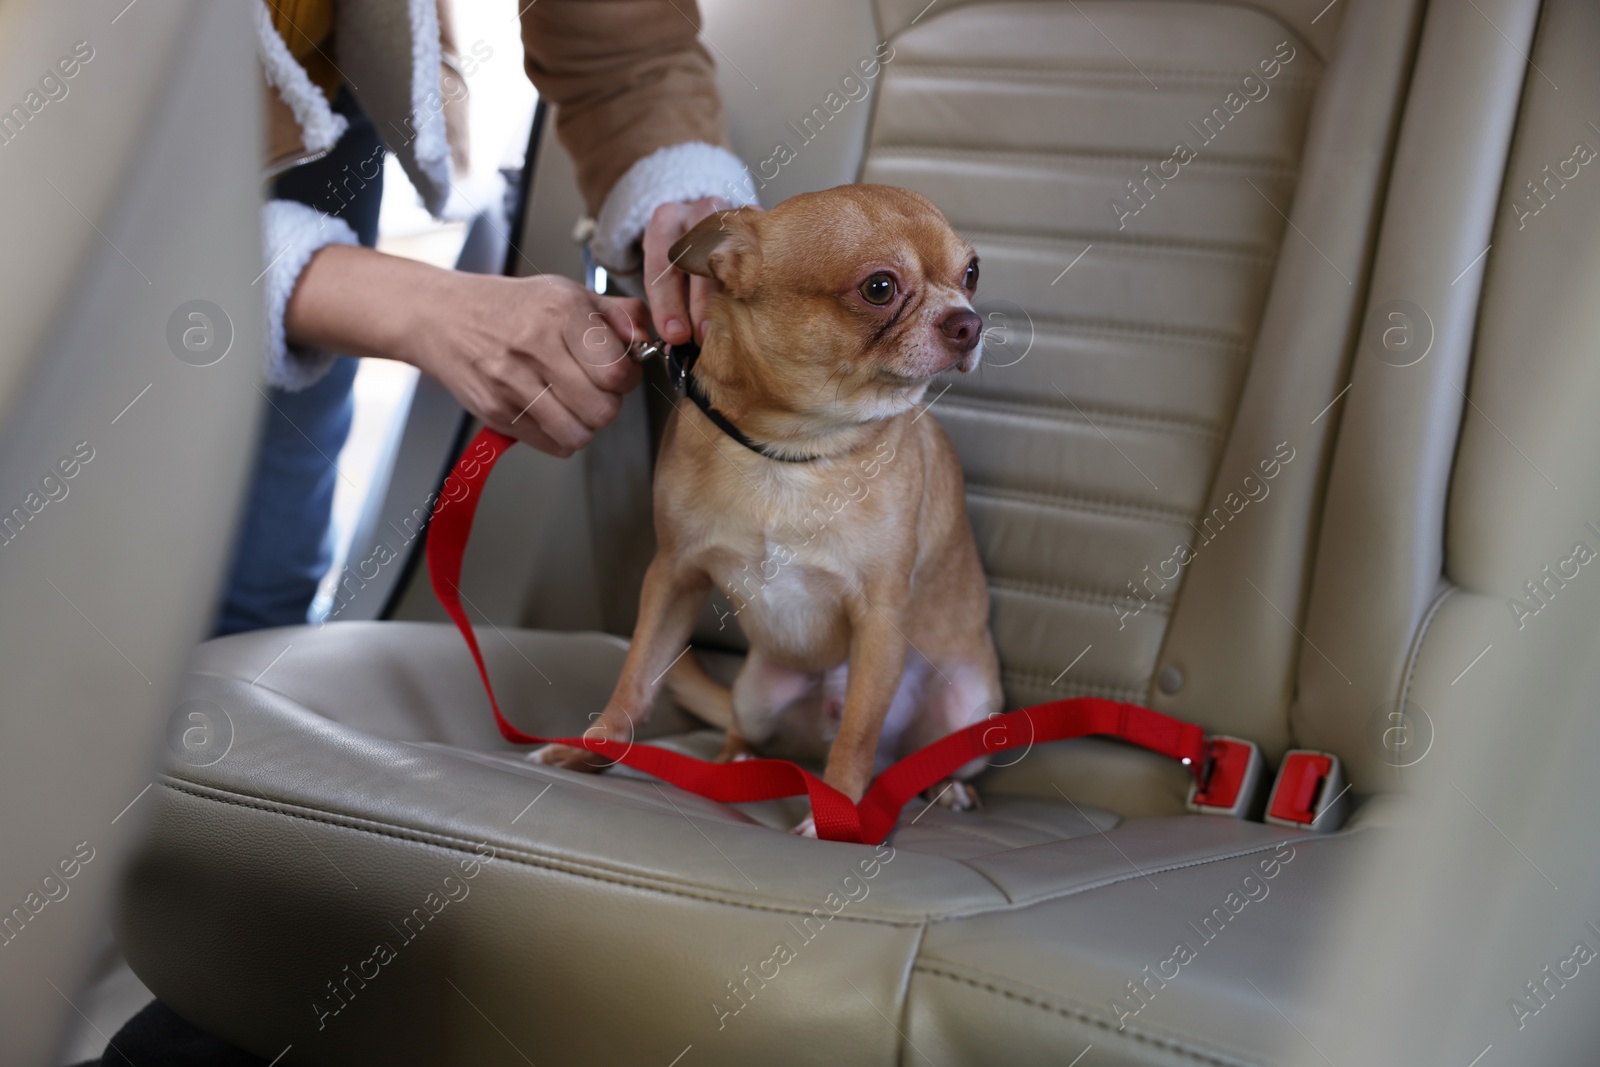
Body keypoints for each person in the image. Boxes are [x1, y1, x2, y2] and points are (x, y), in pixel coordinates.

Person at [216, 0, 756, 635]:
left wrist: (675, 184)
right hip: (102, 135)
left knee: (270, 525)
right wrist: (417, 308)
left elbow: (621, 47)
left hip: (309, 95)